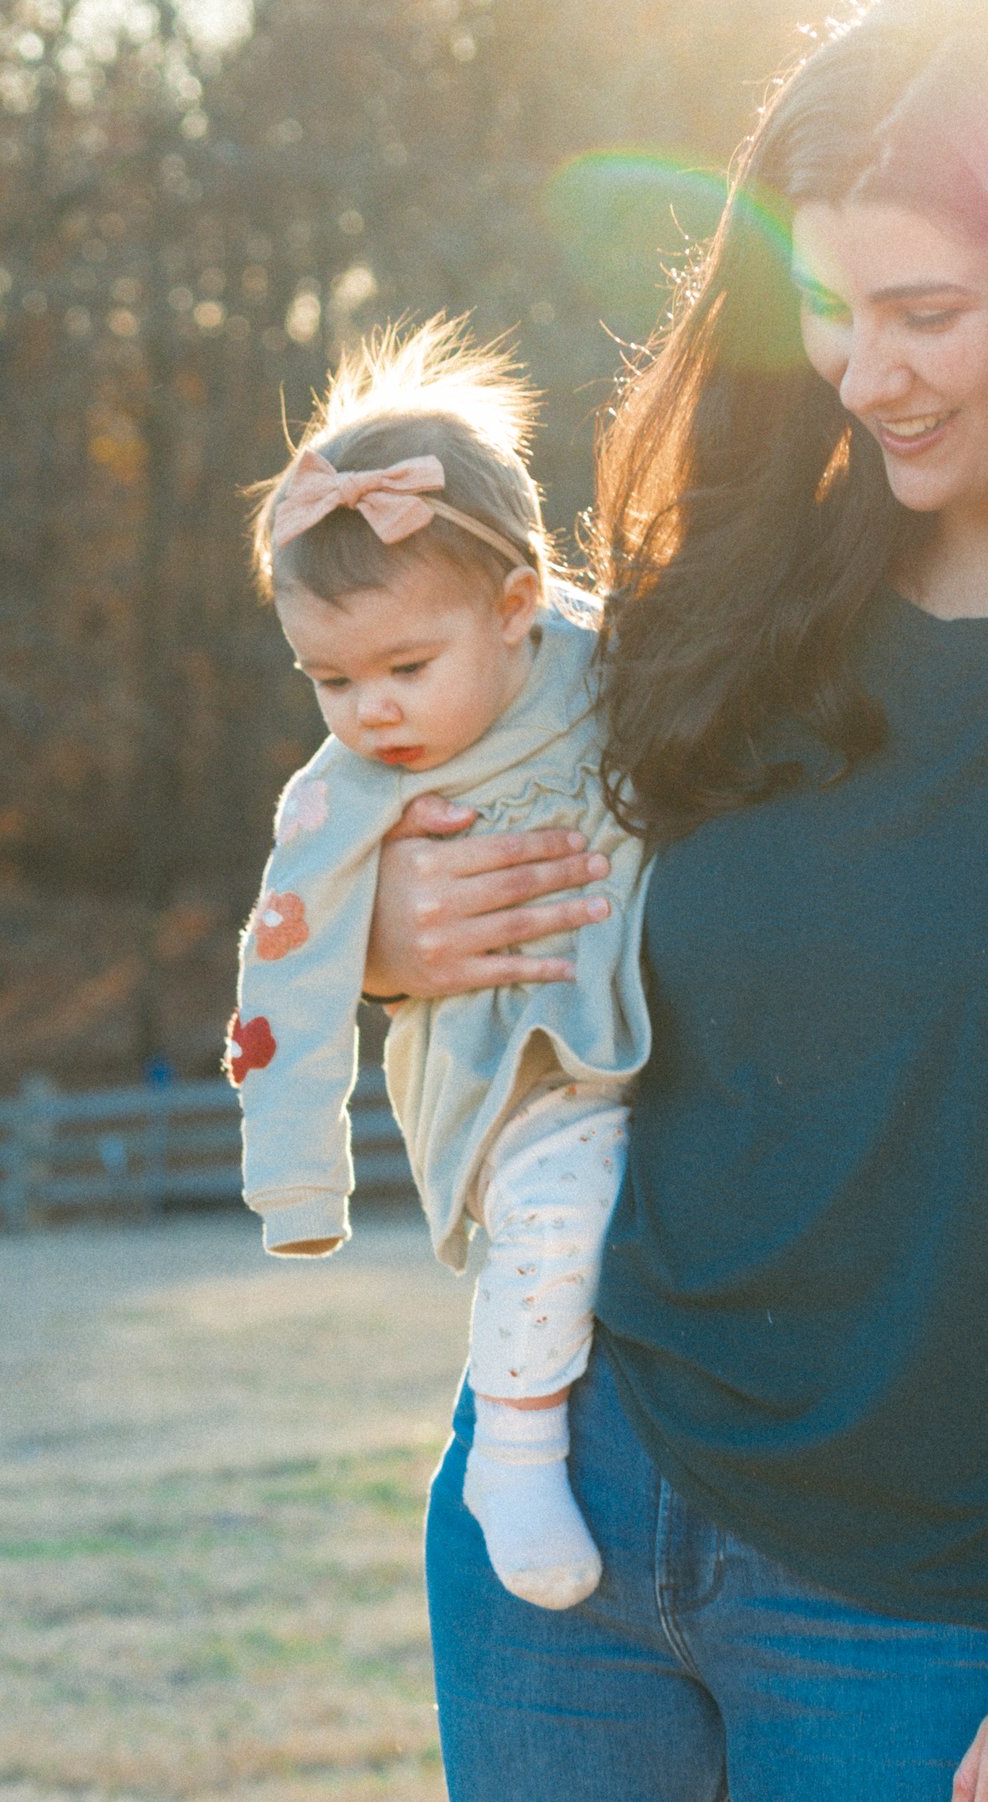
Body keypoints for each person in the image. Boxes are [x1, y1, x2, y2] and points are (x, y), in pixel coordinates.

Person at [361, 0, 988, 1802]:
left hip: (921, 1592)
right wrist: (382, 915)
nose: (864, 372)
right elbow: (433, 839)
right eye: (826, 311)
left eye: (921, 312)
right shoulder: (711, 591)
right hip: (584, 1514)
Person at [232, 326, 647, 1610]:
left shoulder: (611, 668)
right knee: (564, 1199)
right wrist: (298, 1188)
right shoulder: (340, 798)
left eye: (407, 668)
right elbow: (280, 992)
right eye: (331, 680)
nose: (372, 713)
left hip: (646, 1037)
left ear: (517, 605)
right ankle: (513, 1445)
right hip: (504, 1073)